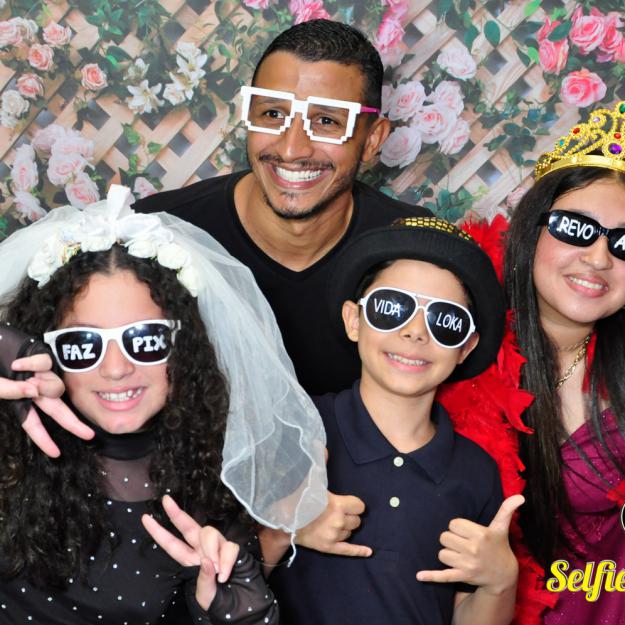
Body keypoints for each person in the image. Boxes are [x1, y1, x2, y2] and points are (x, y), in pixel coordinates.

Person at [0, 186, 327, 624]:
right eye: (82, 344)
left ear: (184, 347)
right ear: (43, 347)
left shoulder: (217, 478)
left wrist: (243, 617)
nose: (116, 369)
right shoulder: (8, 441)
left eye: (146, 340)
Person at [134, 18, 430, 396]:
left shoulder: (419, 250)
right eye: (273, 114)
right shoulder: (154, 233)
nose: (292, 149)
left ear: (372, 140)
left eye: (326, 121)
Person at [269, 216, 522, 625]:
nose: (415, 332)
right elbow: (214, 582)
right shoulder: (293, 428)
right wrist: (285, 530)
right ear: (354, 320)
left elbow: (466, 614)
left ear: (466, 347)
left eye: (445, 321)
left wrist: (500, 582)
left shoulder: (477, 472)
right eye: (392, 308)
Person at [504, 101, 625, 624]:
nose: (599, 258)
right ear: (531, 231)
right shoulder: (451, 346)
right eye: (576, 228)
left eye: (624, 243)